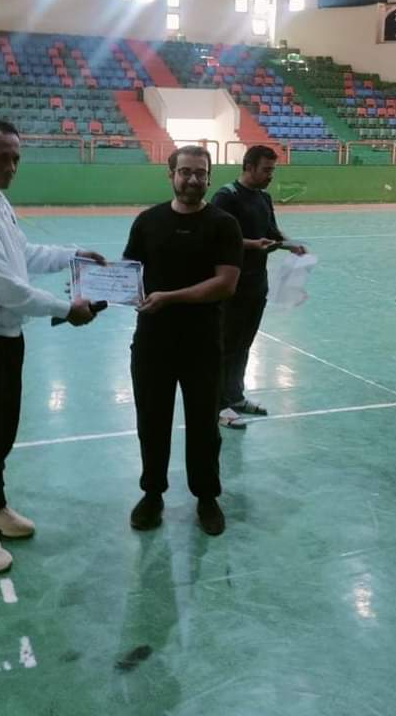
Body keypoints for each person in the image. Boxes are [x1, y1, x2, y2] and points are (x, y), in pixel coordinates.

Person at [0, 118, 104, 573]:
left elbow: (21, 255)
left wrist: (73, 255)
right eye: (1, 158)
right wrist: (66, 308)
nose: (10, 167)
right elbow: (3, 287)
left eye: (16, 159)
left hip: (5, 337)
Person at [123, 145, 243, 536]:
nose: (192, 179)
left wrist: (169, 298)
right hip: (152, 342)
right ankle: (152, 494)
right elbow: (128, 274)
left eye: (200, 173)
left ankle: (206, 497)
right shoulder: (148, 221)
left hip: (202, 343)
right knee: (151, 421)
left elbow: (225, 284)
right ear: (171, 174)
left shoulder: (223, 224)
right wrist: (89, 286)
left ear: (209, 177)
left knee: (204, 425)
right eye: (185, 172)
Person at [211, 145, 306, 429]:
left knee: (244, 343)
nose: (270, 175)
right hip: (231, 284)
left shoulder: (264, 197)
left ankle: (235, 396)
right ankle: (218, 405)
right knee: (225, 344)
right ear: (249, 166)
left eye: (272, 170)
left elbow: (271, 231)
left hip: (256, 283)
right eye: (266, 169)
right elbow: (217, 238)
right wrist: (254, 245)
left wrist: (289, 244)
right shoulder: (226, 196)